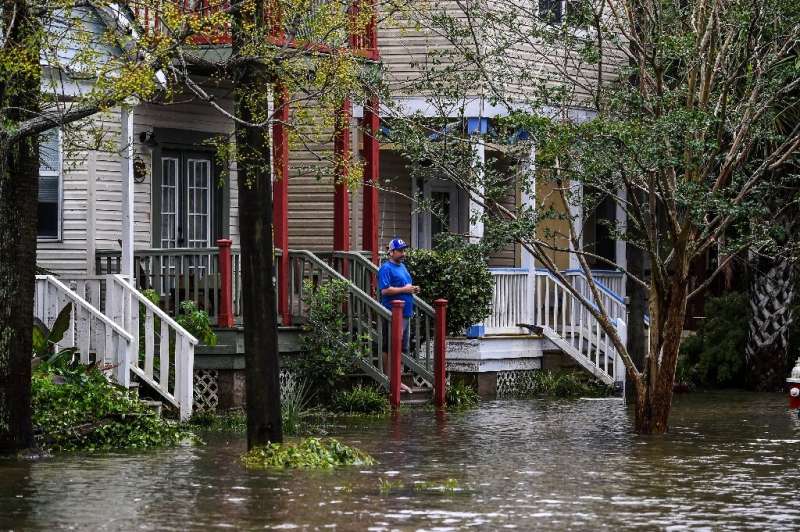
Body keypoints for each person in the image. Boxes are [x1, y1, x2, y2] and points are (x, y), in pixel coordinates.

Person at [378, 238, 420, 392]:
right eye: (400, 250)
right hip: (392, 313)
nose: (403, 253)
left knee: (402, 348)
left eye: (404, 250)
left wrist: (412, 289)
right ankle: (389, 380)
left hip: (406, 313)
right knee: (390, 347)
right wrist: (405, 290)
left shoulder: (403, 267)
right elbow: (385, 290)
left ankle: (398, 379)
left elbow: (405, 286)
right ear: (391, 252)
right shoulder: (386, 268)